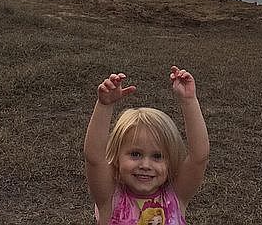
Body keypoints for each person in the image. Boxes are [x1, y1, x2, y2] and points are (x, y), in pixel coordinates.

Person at [84, 66, 210, 225]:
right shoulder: (110, 198)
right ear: (116, 158)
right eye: (135, 154)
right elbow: (94, 158)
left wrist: (189, 101)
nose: (145, 165)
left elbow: (199, 158)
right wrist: (104, 106)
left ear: (170, 162)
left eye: (157, 156)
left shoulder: (175, 196)